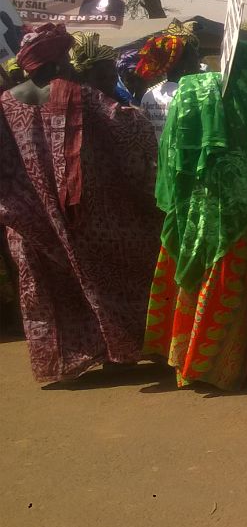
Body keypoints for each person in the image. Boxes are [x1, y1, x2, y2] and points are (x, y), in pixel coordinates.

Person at [143, 40, 247, 390]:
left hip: (201, 215)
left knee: (212, 284)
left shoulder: (201, 97)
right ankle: (228, 363)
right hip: (246, 219)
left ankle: (204, 359)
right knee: (236, 288)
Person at [0, 23, 161, 382]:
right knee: (122, 267)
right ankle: (121, 349)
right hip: (87, 213)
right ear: (57, 60)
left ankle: (67, 359)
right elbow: (129, 128)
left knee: (50, 285)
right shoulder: (78, 94)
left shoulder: (6, 102)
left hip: (32, 218)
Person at [138, 21, 203, 142]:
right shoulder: (193, 95)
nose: (198, 63)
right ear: (183, 63)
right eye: (195, 56)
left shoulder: (148, 95)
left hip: (158, 159)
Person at [69, 31, 129, 104]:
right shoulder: (77, 108)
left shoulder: (124, 101)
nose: (109, 83)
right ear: (84, 78)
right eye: (101, 78)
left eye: (113, 76)